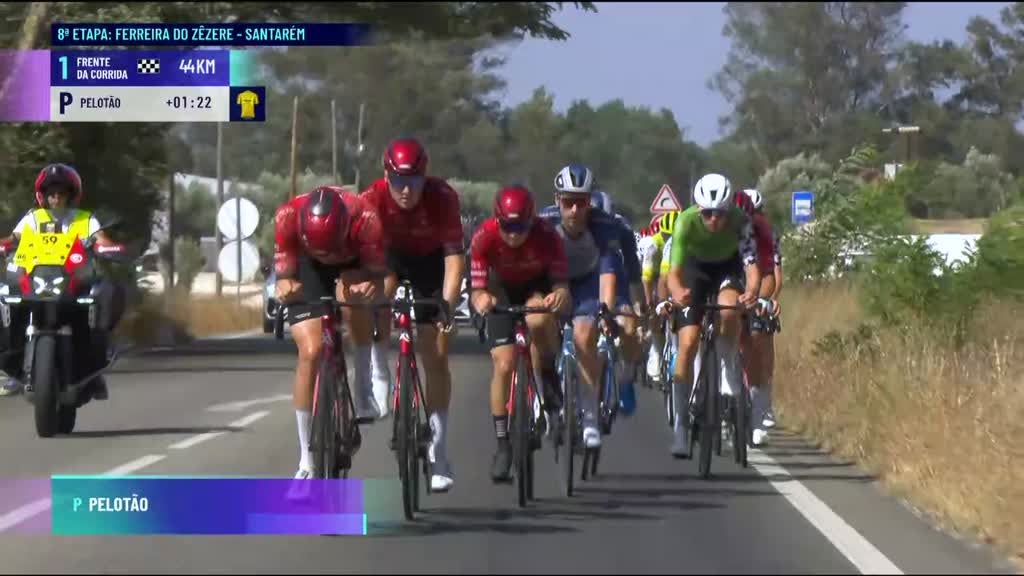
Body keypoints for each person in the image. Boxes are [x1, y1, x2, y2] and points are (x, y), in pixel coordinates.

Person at [360, 137, 465, 492]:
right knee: (379, 296)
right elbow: (362, 260)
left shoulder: (443, 197)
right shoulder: (371, 198)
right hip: (388, 257)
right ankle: (379, 367)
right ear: (385, 175)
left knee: (434, 353)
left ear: (426, 176)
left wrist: (446, 305)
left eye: (414, 181)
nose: (406, 190)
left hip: (430, 263)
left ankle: (439, 450)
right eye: (398, 181)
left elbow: (454, 259)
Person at [273, 185, 387, 482]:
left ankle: (363, 388)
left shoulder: (367, 219)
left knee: (354, 298)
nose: (326, 256)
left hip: (351, 262)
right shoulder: (287, 217)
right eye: (320, 248)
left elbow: (378, 277)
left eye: (329, 249)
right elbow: (285, 278)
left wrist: (369, 287)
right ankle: (305, 459)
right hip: (306, 267)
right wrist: (284, 286)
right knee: (310, 352)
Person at [469, 185, 571, 482]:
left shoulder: (549, 237)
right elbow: (476, 289)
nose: (513, 234)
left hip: (535, 288)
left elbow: (562, 287)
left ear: (532, 220)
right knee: (503, 364)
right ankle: (502, 444)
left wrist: (558, 297)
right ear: (497, 220)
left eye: (520, 226)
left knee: (539, 320)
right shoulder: (483, 237)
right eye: (507, 226)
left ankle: (547, 372)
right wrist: (480, 300)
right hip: (500, 290)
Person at [0, 163, 126, 399]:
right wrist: (4, 244)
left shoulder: (84, 219)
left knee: (107, 291)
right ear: (43, 196)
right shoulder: (33, 219)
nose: (56, 198)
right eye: (51, 193)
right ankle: (10, 369)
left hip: (74, 281)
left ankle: (94, 367)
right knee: (4, 297)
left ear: (71, 195)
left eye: (61, 193)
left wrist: (109, 247)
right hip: (34, 281)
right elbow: (13, 238)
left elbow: (101, 239)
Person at [665, 173, 760, 458]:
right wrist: (678, 292)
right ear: (698, 210)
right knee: (688, 341)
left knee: (730, 309)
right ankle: (681, 427)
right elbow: (673, 274)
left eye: (720, 214)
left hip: (726, 268)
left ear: (729, 210)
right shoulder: (685, 222)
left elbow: (752, 267)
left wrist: (752, 291)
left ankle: (728, 368)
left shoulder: (742, 222)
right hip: (695, 270)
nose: (714, 221)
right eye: (707, 214)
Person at [538, 164, 625, 449]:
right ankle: (546, 395)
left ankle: (589, 416)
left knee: (585, 334)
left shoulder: (603, 225)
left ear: (591, 201)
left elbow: (608, 273)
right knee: (540, 329)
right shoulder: (543, 224)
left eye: (582, 202)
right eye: (568, 202)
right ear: (557, 201)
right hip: (553, 282)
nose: (575, 210)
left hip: (588, 282)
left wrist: (605, 312)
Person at [589, 189, 645, 415]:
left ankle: (626, 379)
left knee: (629, 326)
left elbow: (633, 272)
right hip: (582, 286)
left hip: (617, 286)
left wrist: (638, 306)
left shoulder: (622, 229)